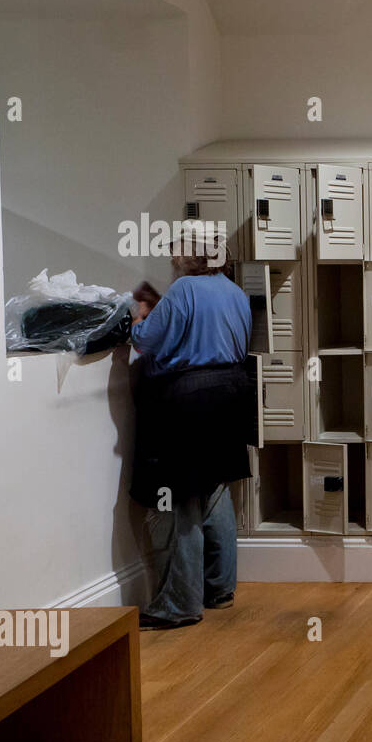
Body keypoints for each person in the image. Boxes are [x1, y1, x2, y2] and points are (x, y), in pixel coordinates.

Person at [130, 221, 253, 630]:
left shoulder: (184, 290)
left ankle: (179, 604)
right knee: (216, 490)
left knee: (181, 499)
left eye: (176, 248)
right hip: (232, 395)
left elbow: (146, 341)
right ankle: (219, 588)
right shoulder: (233, 292)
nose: (170, 256)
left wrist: (142, 315)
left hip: (190, 400)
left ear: (191, 254)